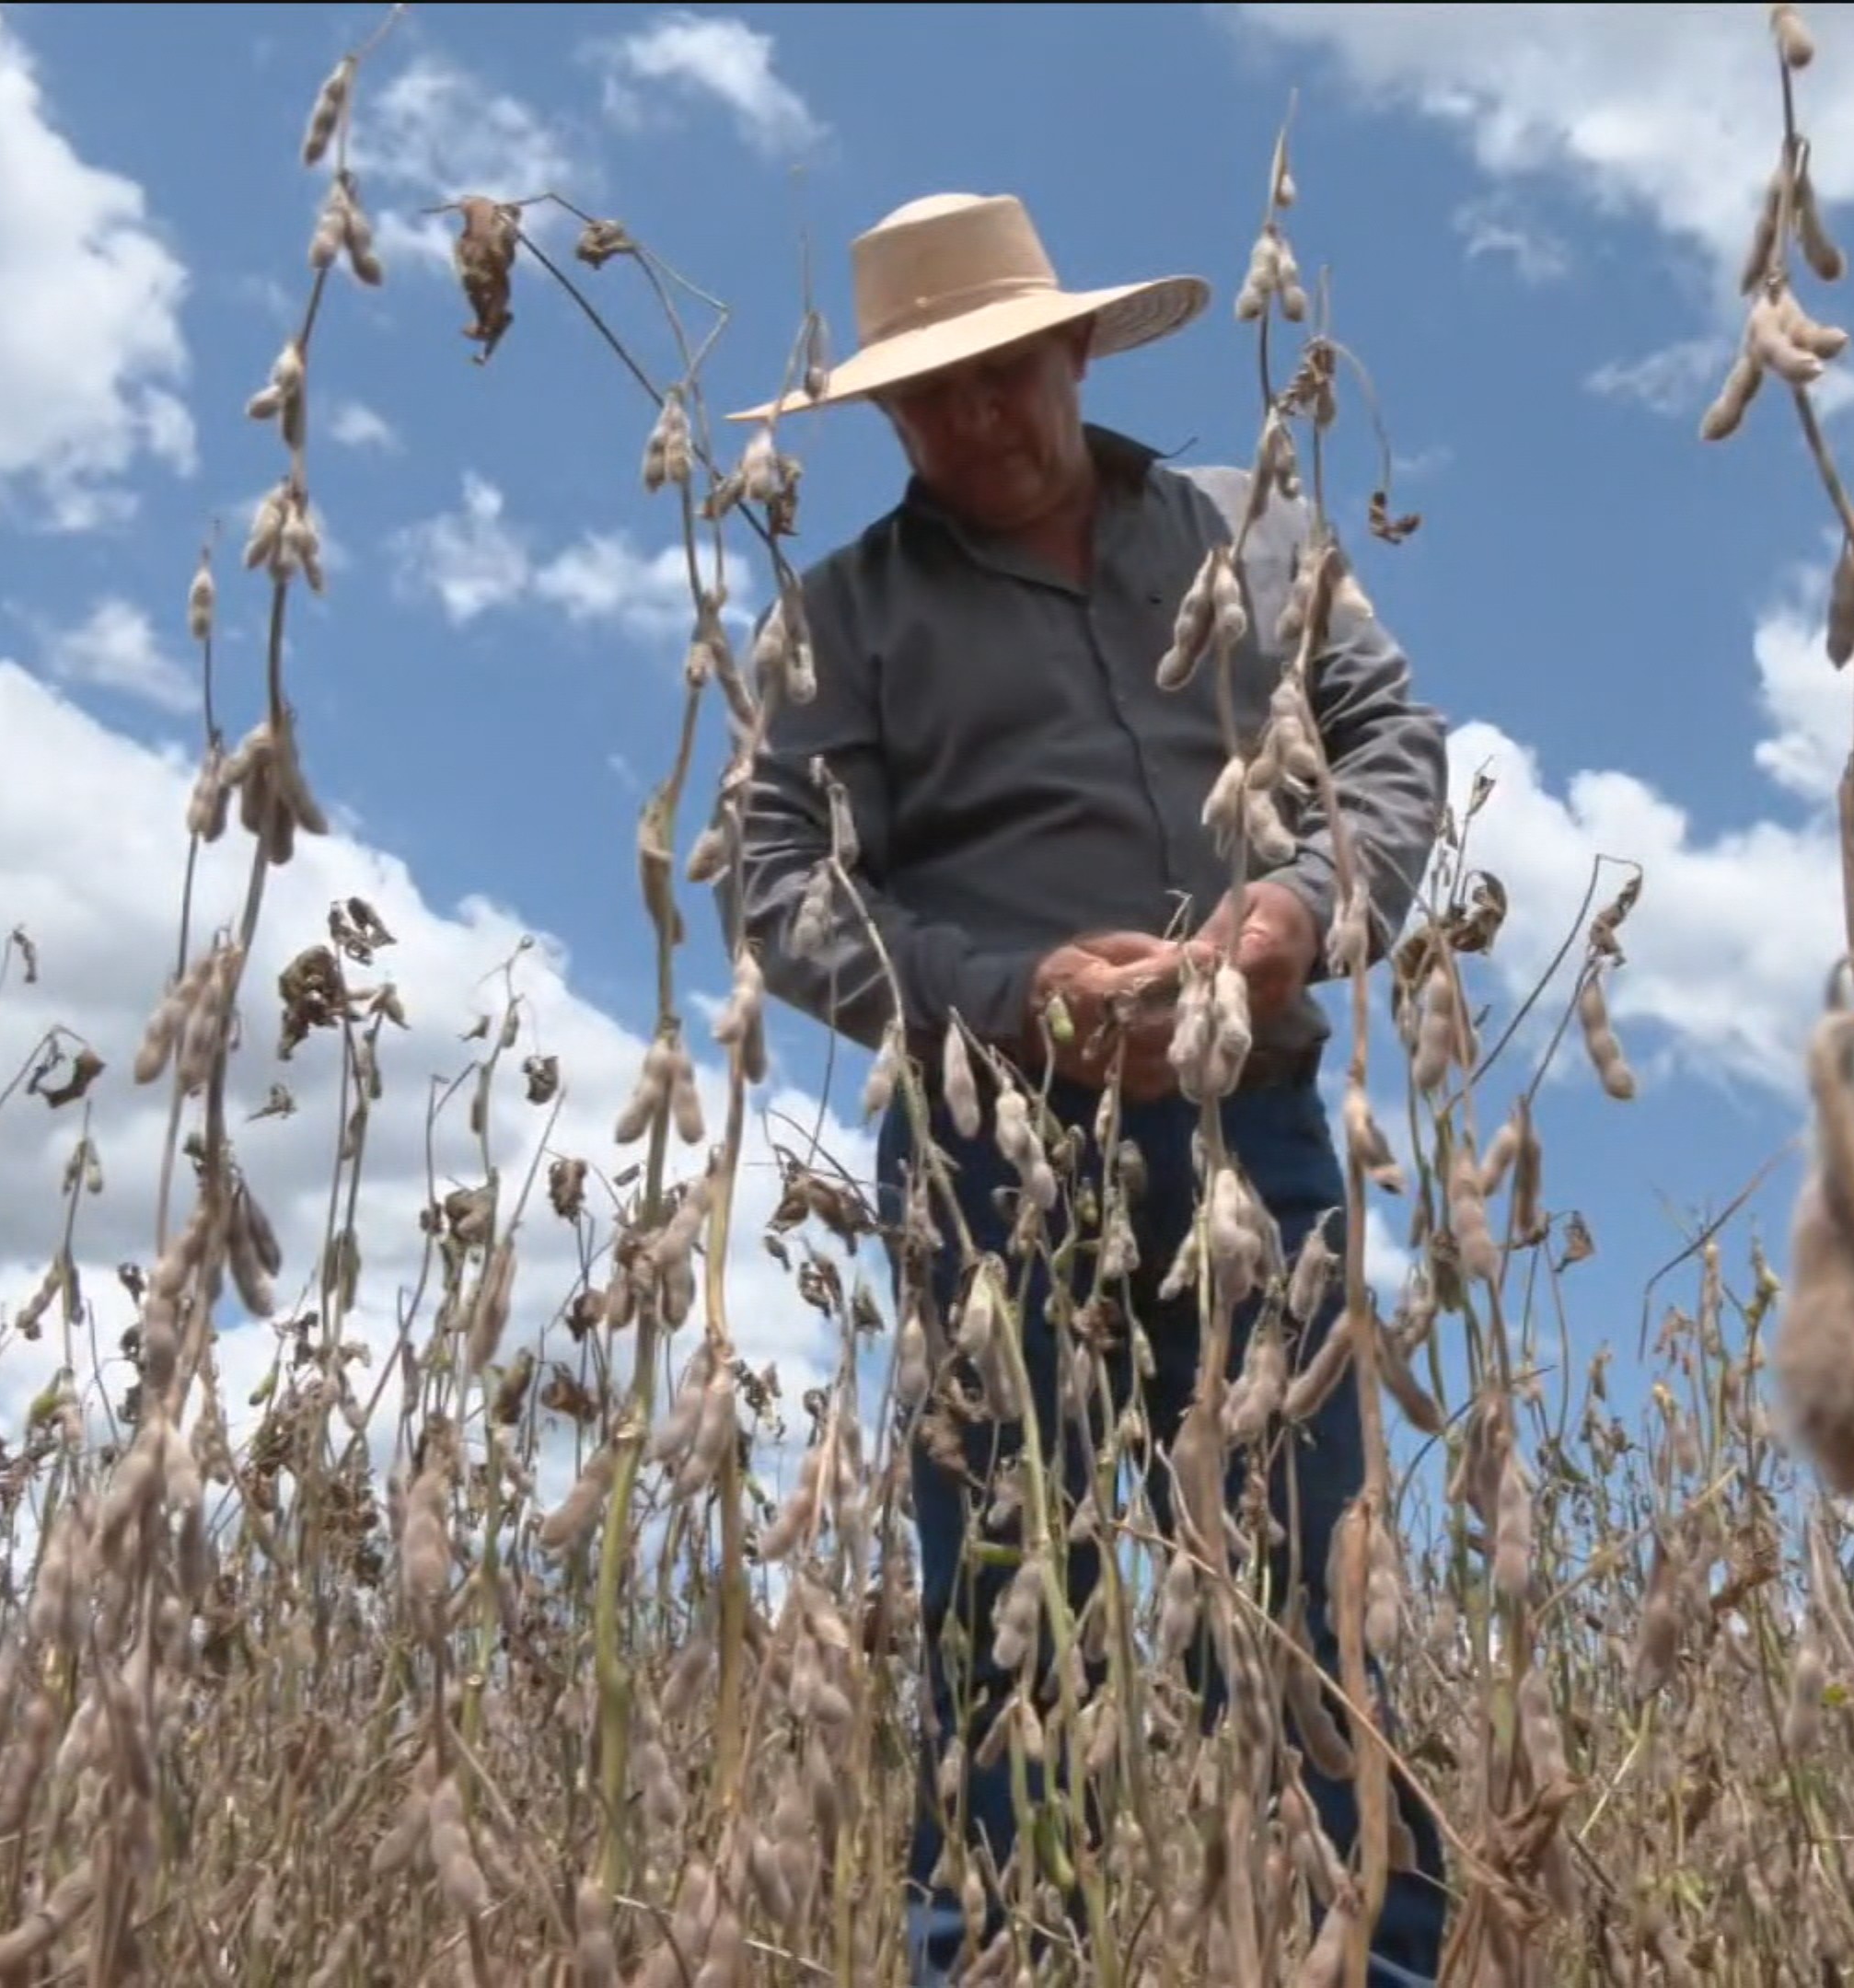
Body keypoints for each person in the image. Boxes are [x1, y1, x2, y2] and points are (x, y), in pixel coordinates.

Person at [717, 190, 1454, 1986]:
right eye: (931, 399)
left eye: (1001, 379)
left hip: (1252, 1127)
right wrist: (1009, 993)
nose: (974, 424)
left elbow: (1391, 752)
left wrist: (1285, 919)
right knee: (1005, 1611)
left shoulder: (1255, 537)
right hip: (986, 1149)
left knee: (1304, 1610)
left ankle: (1369, 1961)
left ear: (1071, 353)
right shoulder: (845, 614)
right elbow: (766, 875)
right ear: (890, 416)